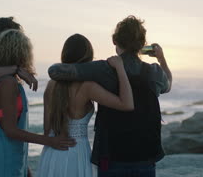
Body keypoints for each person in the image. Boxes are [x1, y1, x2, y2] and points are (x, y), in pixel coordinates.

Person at [48, 16, 172, 177]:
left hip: (112, 156)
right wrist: (161, 58)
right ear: (142, 45)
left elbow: (54, 71)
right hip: (145, 156)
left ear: (115, 40)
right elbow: (168, 84)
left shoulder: (103, 69)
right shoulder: (154, 72)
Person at [0, 17, 75, 177]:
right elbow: (10, 130)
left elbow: (9, 127)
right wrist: (49, 141)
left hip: (1, 150)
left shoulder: (7, 79)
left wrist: (24, 166)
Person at [35, 34, 134, 177]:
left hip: (52, 153)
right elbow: (127, 104)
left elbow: (47, 130)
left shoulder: (51, 85)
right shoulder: (87, 86)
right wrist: (120, 69)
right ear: (88, 58)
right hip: (77, 151)